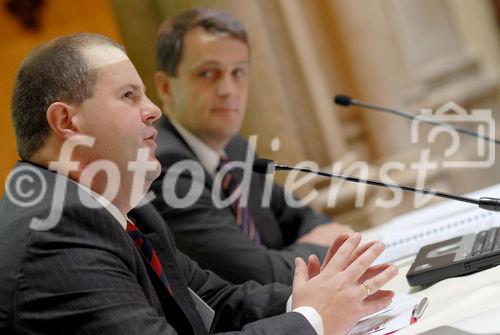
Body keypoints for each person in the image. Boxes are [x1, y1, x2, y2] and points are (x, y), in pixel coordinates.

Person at [0, 32, 398, 334]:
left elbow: (215, 302)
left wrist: (322, 295)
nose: (153, 110)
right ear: (68, 123)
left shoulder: (123, 209)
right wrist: (311, 320)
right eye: (128, 96)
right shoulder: (53, 234)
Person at [152, 8, 353, 285]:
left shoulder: (236, 150)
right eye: (208, 73)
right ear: (165, 87)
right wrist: (323, 249)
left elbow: (304, 218)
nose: (228, 89)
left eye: (238, 72)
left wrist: (314, 242)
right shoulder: (164, 166)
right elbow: (256, 275)